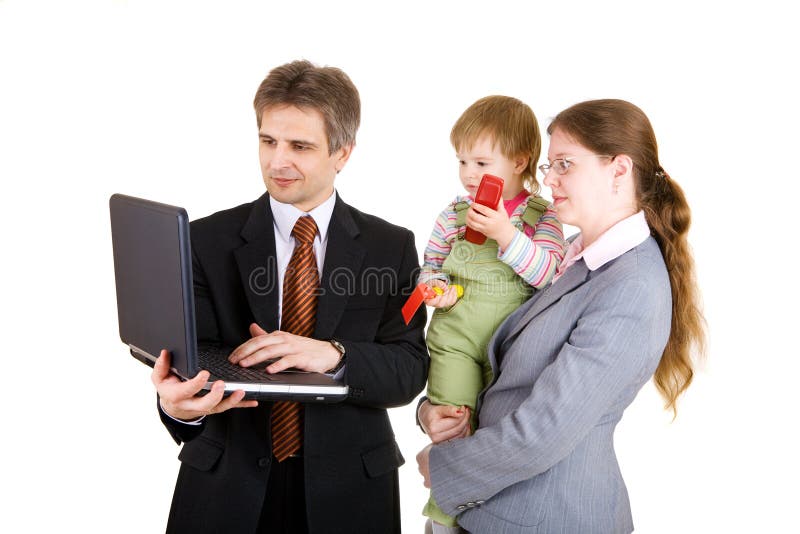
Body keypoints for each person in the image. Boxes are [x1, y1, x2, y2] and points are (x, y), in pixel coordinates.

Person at [151, 59, 429, 534]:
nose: (278, 161)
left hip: (350, 493)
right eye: (268, 141)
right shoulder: (203, 241)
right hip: (226, 489)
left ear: (343, 152)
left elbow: (408, 368)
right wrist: (176, 407)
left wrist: (334, 355)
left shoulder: (392, 245)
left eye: (300, 146)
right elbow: (188, 361)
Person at [416, 99, 706, 533]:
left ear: (619, 170)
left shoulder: (632, 286)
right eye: (550, 164)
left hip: (546, 517)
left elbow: (544, 431)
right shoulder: (572, 258)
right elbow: (499, 369)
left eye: (564, 165)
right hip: (490, 510)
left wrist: (445, 468)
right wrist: (430, 411)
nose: (547, 178)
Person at [417, 95, 564, 533]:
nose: (468, 174)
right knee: (455, 422)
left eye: (481, 162)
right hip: (456, 343)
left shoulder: (544, 217)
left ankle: (492, 514)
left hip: (516, 350)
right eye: (461, 161)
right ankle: (443, 515)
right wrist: (435, 289)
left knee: (500, 437)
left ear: (520, 161)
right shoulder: (453, 214)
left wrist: (505, 233)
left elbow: (551, 275)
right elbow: (431, 267)